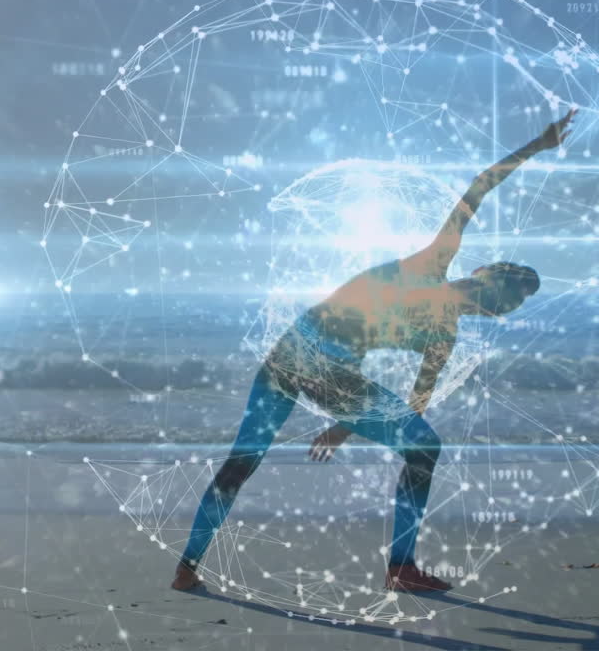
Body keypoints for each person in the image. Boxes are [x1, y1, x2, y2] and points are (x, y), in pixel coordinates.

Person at [172, 109, 576, 593]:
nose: (499, 305)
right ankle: (400, 566)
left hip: (295, 356)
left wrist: (344, 426)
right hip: (316, 361)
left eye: (508, 303)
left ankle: (187, 567)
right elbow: (480, 186)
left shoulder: (442, 331)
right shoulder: (434, 264)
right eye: (506, 293)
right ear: (484, 281)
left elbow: (415, 400)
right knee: (418, 448)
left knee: (248, 460)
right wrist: (538, 143)